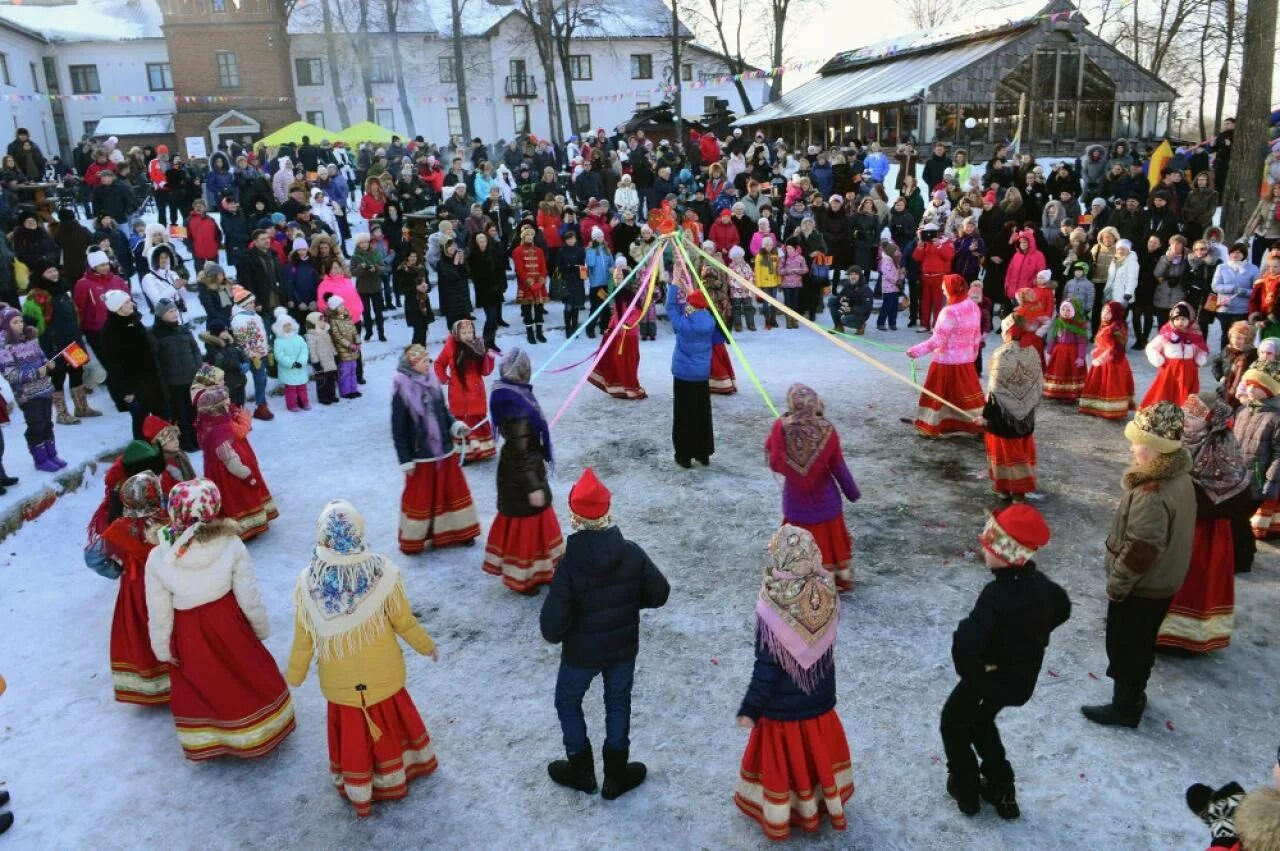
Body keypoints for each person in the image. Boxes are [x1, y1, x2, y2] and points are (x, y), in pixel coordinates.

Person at [284, 500, 440, 817]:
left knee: (354, 736)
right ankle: (399, 771)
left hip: (341, 687)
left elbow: (303, 638)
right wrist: (426, 646)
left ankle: (359, 784)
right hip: (384, 677)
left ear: (322, 537)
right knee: (390, 723)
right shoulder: (382, 573)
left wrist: (295, 675)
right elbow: (404, 621)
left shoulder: (307, 583)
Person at [539, 468, 670, 798]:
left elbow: (551, 628)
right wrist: (627, 601)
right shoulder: (632, 552)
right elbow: (660, 593)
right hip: (622, 649)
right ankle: (616, 774)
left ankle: (580, 768)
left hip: (580, 655)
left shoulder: (568, 566)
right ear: (608, 513)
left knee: (567, 702)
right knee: (618, 702)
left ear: (574, 517)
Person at [145, 478, 296, 760]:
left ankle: (214, 738)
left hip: (189, 630)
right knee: (246, 670)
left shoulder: (158, 556)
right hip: (228, 621)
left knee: (204, 681)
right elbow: (248, 592)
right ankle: (262, 726)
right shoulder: (230, 544)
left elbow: (158, 608)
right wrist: (259, 627)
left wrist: (163, 647)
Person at [941, 504, 1069, 819]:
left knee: (953, 723)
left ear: (1004, 553)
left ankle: (967, 788)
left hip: (989, 678)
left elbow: (968, 644)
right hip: (1020, 681)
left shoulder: (995, 596)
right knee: (981, 721)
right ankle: (1003, 790)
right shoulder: (1043, 588)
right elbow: (1063, 607)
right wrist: (1034, 637)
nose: (983, 552)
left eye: (988, 547)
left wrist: (974, 673)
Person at [733, 525, 853, 840]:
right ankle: (821, 802)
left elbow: (767, 668)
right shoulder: (826, 592)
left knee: (788, 767)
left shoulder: (772, 605)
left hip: (782, 713)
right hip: (819, 701)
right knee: (815, 759)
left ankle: (788, 813)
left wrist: (751, 708)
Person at [1081, 401, 1195, 727]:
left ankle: (1125, 706)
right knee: (1142, 641)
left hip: (1143, 586)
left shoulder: (1152, 490)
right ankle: (1135, 694)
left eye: (1138, 443)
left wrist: (1117, 585)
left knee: (1126, 645)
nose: (1132, 448)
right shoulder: (1180, 476)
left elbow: (1142, 549)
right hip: (1164, 580)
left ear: (1157, 449)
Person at [1154, 393, 1252, 653]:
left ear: (1209, 420)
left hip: (1205, 527)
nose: (1186, 420)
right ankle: (1157, 627)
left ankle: (1187, 636)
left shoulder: (1221, 445)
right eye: (1185, 414)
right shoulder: (1182, 437)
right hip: (1179, 517)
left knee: (1194, 576)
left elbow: (1232, 491)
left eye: (1194, 415)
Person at [764, 384, 860, 592]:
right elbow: (838, 466)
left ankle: (798, 578)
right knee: (829, 543)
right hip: (827, 503)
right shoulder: (827, 429)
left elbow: (774, 462)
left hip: (795, 504)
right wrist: (852, 492)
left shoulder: (781, 428)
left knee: (797, 543)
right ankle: (830, 580)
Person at [484, 349, 564, 593]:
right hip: (522, 475)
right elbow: (522, 450)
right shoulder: (516, 405)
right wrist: (534, 486)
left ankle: (540, 570)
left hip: (515, 470)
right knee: (526, 526)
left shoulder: (510, 393)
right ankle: (524, 578)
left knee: (531, 522)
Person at [391, 344, 481, 554]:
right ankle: (415, 538)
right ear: (412, 365)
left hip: (445, 451)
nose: (428, 364)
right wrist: (406, 460)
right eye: (423, 361)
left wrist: (455, 425)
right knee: (421, 498)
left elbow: (443, 411)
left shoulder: (432, 382)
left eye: (427, 360)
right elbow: (399, 430)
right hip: (420, 456)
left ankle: (462, 532)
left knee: (453, 492)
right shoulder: (401, 391)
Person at [101, 471, 172, 706]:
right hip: (163, 582)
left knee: (140, 629)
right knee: (167, 624)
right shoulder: (165, 521)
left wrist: (116, 568)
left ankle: (152, 684)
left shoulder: (120, 528)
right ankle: (177, 677)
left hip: (134, 589)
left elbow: (93, 556)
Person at [194, 385, 277, 541]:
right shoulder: (220, 432)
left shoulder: (207, 426)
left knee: (231, 498)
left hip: (218, 473)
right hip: (231, 476)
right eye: (225, 404)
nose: (229, 406)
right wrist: (247, 476)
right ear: (216, 409)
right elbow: (231, 461)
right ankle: (246, 528)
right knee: (240, 498)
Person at [21, 259, 100, 424]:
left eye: (55, 270)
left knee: (77, 372)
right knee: (58, 377)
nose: (54, 273)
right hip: (53, 344)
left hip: (72, 339)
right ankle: (62, 413)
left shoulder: (62, 288)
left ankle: (82, 407)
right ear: (40, 274)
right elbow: (29, 323)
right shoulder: (36, 295)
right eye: (49, 271)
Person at [906, 274, 984, 438]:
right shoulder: (972, 306)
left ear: (951, 289)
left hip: (945, 362)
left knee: (938, 396)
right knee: (966, 396)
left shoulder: (949, 311)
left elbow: (937, 340)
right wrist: (973, 354)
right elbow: (977, 334)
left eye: (944, 288)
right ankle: (978, 424)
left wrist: (915, 351)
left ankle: (932, 426)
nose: (943, 290)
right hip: (965, 361)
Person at [983, 316, 1044, 500]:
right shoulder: (1032, 351)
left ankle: (1003, 488)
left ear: (1008, 331)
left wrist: (986, 415)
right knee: (1021, 449)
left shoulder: (1002, 353)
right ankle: (1020, 491)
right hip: (1025, 414)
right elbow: (1037, 381)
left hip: (1003, 417)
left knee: (1004, 450)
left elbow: (995, 388)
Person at [667, 282, 720, 467]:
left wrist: (674, 284)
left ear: (692, 306)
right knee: (701, 413)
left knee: (683, 415)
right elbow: (699, 307)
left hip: (683, 375)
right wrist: (692, 294)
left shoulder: (683, 323)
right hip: (701, 375)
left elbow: (670, 307)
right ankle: (703, 453)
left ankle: (684, 455)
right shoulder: (710, 321)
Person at [434, 319, 497, 461]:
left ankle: (482, 449)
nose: (468, 335)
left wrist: (489, 359)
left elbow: (485, 372)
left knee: (477, 419)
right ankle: (463, 452)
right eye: (464, 332)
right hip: (458, 391)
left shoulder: (479, 347)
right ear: (457, 334)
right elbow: (439, 364)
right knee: (461, 420)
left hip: (475, 390)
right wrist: (445, 379)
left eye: (470, 332)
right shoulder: (450, 347)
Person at [1233, 360, 1280, 549]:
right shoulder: (1243, 410)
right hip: (1237, 475)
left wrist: (1270, 481)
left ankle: (1241, 555)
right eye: (1249, 384)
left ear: (1269, 390)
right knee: (1237, 519)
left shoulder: (1276, 418)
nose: (1250, 389)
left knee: (1242, 520)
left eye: (1256, 386)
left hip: (1257, 479)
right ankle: (1239, 554)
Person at [150, 299, 201, 451]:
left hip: (191, 378)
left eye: (175, 311)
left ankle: (196, 439)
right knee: (180, 414)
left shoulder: (183, 330)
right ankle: (185, 442)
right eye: (170, 312)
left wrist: (198, 367)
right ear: (161, 315)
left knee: (193, 412)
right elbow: (156, 359)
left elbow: (195, 349)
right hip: (173, 382)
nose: (174, 314)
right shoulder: (155, 334)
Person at [1141, 302, 1209, 409]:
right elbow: (1151, 347)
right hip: (1170, 370)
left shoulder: (1195, 335)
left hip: (1189, 371)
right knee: (1165, 392)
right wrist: (1158, 359)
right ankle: (1163, 414)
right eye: (1177, 319)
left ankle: (1184, 416)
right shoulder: (1167, 334)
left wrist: (1200, 358)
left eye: (1183, 319)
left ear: (1189, 319)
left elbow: (1202, 349)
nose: (1180, 322)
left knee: (1187, 395)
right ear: (1172, 320)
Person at [587, 281, 647, 401]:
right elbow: (616, 315)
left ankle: (630, 387)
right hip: (617, 335)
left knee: (629, 362)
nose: (617, 279)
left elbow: (637, 312)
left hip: (629, 336)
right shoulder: (618, 297)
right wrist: (610, 327)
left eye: (620, 277)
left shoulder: (632, 296)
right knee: (617, 361)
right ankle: (619, 386)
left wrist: (627, 324)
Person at [1079, 301, 1135, 419]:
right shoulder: (1106, 325)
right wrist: (1097, 350)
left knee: (1110, 383)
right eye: (1103, 310)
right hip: (1101, 358)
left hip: (1112, 362)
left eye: (1109, 312)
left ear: (1116, 314)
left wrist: (1101, 358)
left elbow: (1114, 347)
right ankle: (1096, 406)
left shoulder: (1115, 327)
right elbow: (1103, 342)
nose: (1105, 314)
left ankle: (1110, 409)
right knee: (1099, 382)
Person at [229, 286, 273, 421]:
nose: (254, 304)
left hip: (261, 353)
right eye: (251, 302)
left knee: (262, 378)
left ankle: (261, 403)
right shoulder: (239, 320)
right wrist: (252, 354)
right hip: (252, 356)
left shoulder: (254, 315)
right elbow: (243, 340)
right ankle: (259, 406)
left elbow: (261, 334)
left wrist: (266, 348)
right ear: (244, 304)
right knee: (259, 378)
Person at [1043, 299, 1090, 402]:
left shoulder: (1078, 325)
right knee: (1058, 371)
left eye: (1068, 310)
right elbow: (1053, 338)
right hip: (1058, 353)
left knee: (1070, 372)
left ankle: (1070, 393)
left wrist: (1081, 357)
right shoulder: (1058, 322)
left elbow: (1082, 342)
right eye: (1063, 309)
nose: (1065, 312)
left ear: (1074, 312)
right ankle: (1056, 391)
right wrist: (1049, 351)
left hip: (1072, 354)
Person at [271, 307, 311, 412]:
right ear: (280, 328)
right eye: (285, 326)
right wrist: (291, 363)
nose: (288, 327)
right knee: (291, 389)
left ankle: (304, 402)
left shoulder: (298, 338)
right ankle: (292, 405)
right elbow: (279, 355)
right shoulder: (278, 341)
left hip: (300, 367)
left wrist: (301, 361)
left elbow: (304, 350)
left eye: (289, 324)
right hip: (288, 369)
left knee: (302, 387)